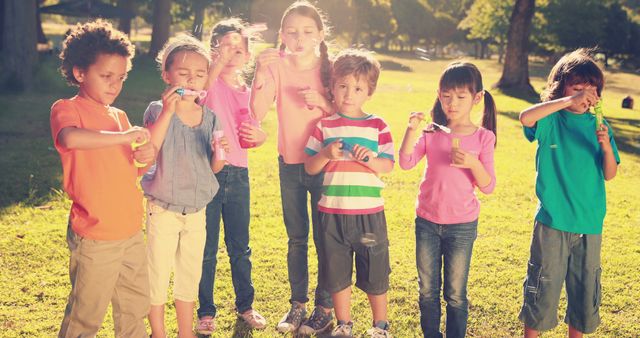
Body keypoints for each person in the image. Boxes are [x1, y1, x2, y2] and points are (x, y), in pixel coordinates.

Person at [51, 19, 155, 337]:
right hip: (95, 236)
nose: (114, 85)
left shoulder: (119, 116)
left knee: (135, 310)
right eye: (106, 76)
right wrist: (124, 138)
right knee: (86, 316)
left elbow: (126, 171)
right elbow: (71, 139)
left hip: (130, 232)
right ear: (80, 73)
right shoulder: (67, 109)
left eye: (121, 78)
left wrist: (144, 160)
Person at [518, 48, 619, 338]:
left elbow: (609, 173)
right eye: (578, 88)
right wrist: (568, 101)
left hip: (590, 223)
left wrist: (604, 146)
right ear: (561, 87)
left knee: (585, 289)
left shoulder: (600, 127)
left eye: (592, 90)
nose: (586, 96)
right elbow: (526, 117)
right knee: (543, 285)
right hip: (553, 221)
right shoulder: (551, 120)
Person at [249, 0, 335, 334]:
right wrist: (258, 73)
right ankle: (297, 306)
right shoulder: (276, 66)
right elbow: (256, 113)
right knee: (297, 239)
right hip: (290, 165)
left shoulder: (331, 67)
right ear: (282, 35)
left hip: (326, 164)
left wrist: (324, 103)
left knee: (326, 239)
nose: (299, 38)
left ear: (320, 34)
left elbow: (348, 113)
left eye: (307, 32)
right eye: (292, 32)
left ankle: (323, 308)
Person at [398, 61, 497, 338]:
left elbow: (488, 186)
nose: (452, 103)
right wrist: (411, 130)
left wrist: (472, 163)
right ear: (439, 94)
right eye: (446, 96)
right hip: (427, 222)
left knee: (455, 293)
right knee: (427, 290)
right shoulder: (432, 132)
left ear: (477, 98)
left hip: (462, 226)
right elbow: (406, 162)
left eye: (460, 97)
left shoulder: (483, 137)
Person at [305, 49, 395, 338]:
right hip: (332, 213)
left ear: (369, 91)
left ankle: (379, 325)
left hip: (369, 214)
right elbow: (310, 166)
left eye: (357, 88)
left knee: (375, 271)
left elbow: (388, 165)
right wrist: (326, 153)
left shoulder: (377, 125)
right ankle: (344, 325)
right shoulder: (325, 125)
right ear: (332, 86)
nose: (348, 94)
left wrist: (369, 159)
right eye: (342, 86)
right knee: (337, 272)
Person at [141, 34, 227, 338]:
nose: (192, 79)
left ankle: (186, 332)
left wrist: (220, 154)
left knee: (189, 272)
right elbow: (150, 146)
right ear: (167, 75)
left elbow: (214, 168)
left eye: (200, 74)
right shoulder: (156, 110)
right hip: (162, 206)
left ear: (206, 80)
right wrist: (168, 110)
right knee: (157, 271)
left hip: (196, 208)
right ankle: (159, 332)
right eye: (183, 73)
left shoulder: (210, 117)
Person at [195, 18, 268, 335]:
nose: (232, 53)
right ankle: (206, 311)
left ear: (248, 55)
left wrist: (260, 137)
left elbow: (255, 130)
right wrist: (217, 61)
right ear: (213, 51)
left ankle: (246, 305)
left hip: (239, 174)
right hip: (210, 172)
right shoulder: (209, 84)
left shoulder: (249, 92)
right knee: (206, 248)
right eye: (225, 47)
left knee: (240, 246)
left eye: (239, 48)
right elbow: (201, 91)